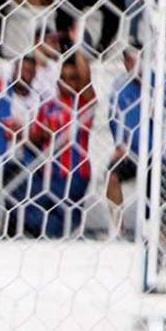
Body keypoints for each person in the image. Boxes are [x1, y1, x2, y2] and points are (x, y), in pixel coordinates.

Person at [24, 49, 96, 238]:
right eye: (64, 77)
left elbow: (87, 80)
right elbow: (33, 138)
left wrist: (77, 44)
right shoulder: (47, 106)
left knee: (64, 225)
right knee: (33, 213)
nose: (67, 81)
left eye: (73, 78)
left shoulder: (81, 104)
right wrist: (42, 134)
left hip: (75, 173)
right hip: (49, 174)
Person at [0, 54, 42, 237]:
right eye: (20, 70)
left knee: (15, 211)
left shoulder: (38, 101)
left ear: (34, 74)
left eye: (28, 71)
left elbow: (43, 134)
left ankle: (10, 244)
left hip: (18, 162)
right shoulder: (0, 89)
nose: (24, 74)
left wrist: (23, 134)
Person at [107, 45, 143, 221]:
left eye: (134, 58)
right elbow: (113, 119)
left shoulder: (162, 83)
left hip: (159, 153)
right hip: (132, 152)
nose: (131, 64)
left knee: (158, 181)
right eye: (127, 60)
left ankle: (159, 229)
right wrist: (120, 145)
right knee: (112, 175)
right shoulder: (119, 87)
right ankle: (117, 229)